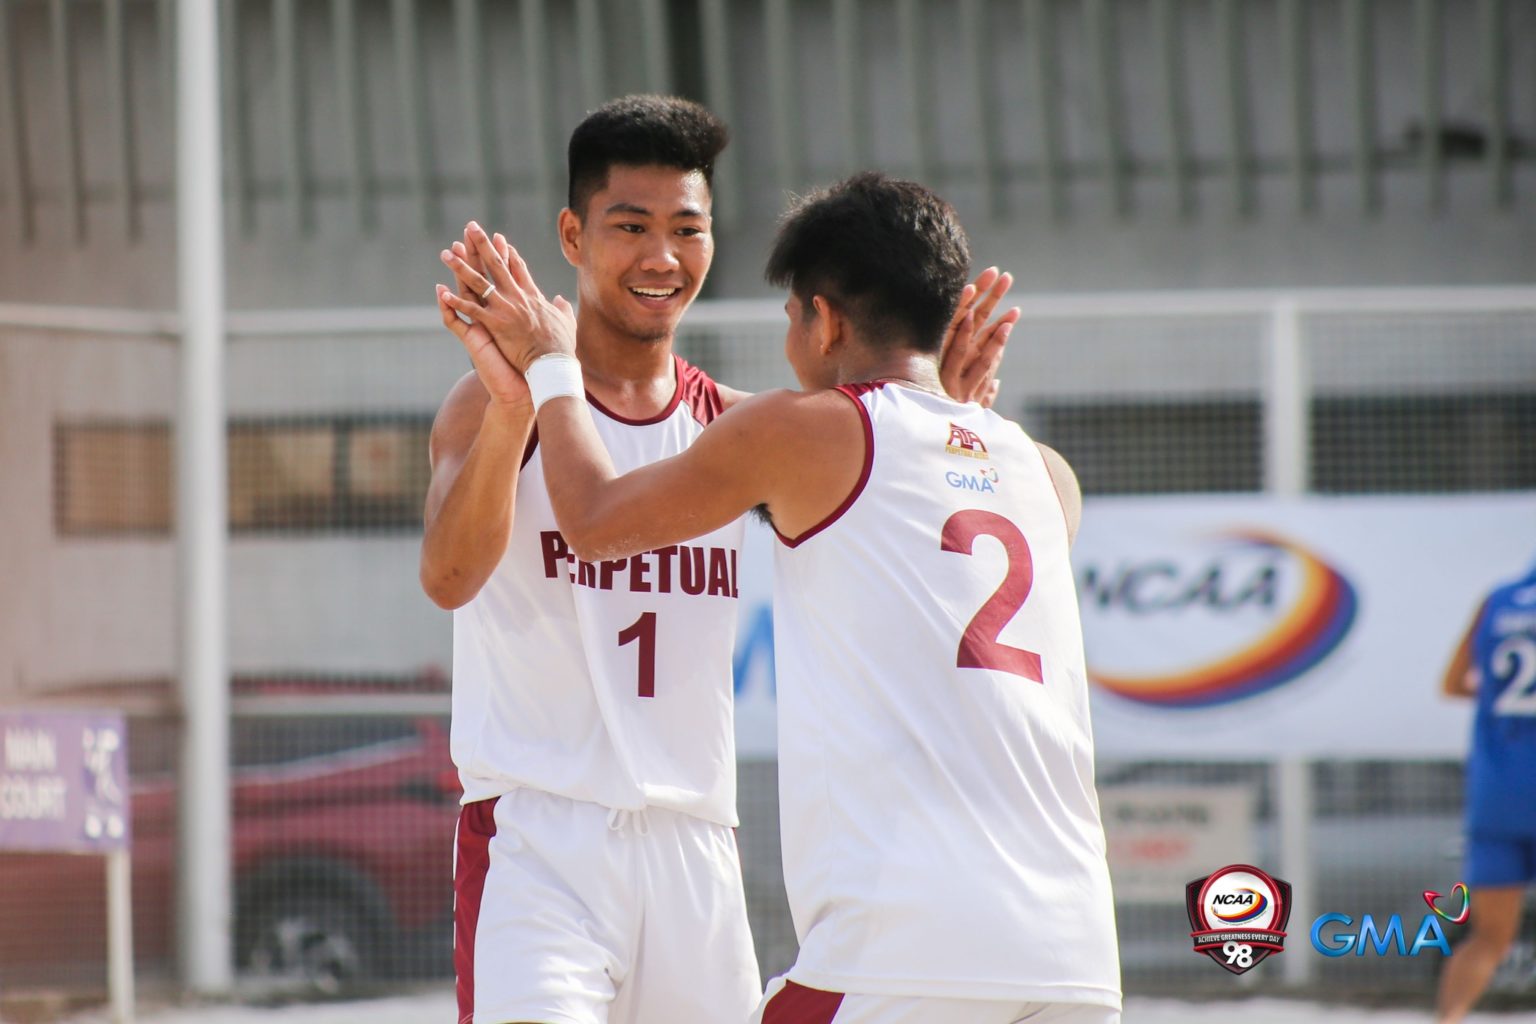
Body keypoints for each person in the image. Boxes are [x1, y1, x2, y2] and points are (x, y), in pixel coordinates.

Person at [438, 172, 1121, 1024]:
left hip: (903, 946)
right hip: (1077, 953)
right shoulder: (1047, 477)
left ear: (825, 320)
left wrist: (548, 367)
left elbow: (596, 521)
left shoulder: (808, 430)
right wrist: (946, 407)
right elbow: (937, 486)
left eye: (793, 317)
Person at [1436, 559, 1536, 1024]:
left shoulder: (1497, 599)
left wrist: (1502, 699)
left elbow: (1453, 683)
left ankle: (1450, 1018)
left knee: (1488, 939)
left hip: (1497, 793)